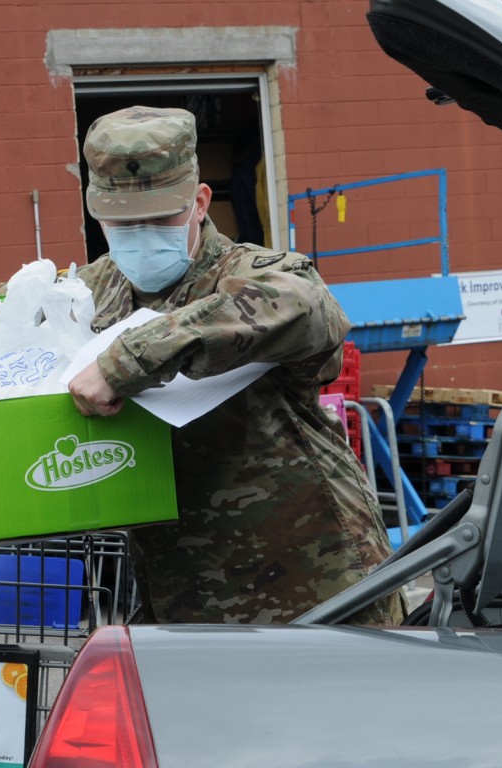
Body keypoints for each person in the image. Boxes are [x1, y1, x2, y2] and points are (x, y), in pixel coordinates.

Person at [67, 105, 403, 625]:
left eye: (160, 218)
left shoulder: (252, 272)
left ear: (200, 202)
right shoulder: (89, 293)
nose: (141, 234)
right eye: (123, 222)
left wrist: (130, 359)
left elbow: (309, 308)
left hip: (312, 588)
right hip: (180, 595)